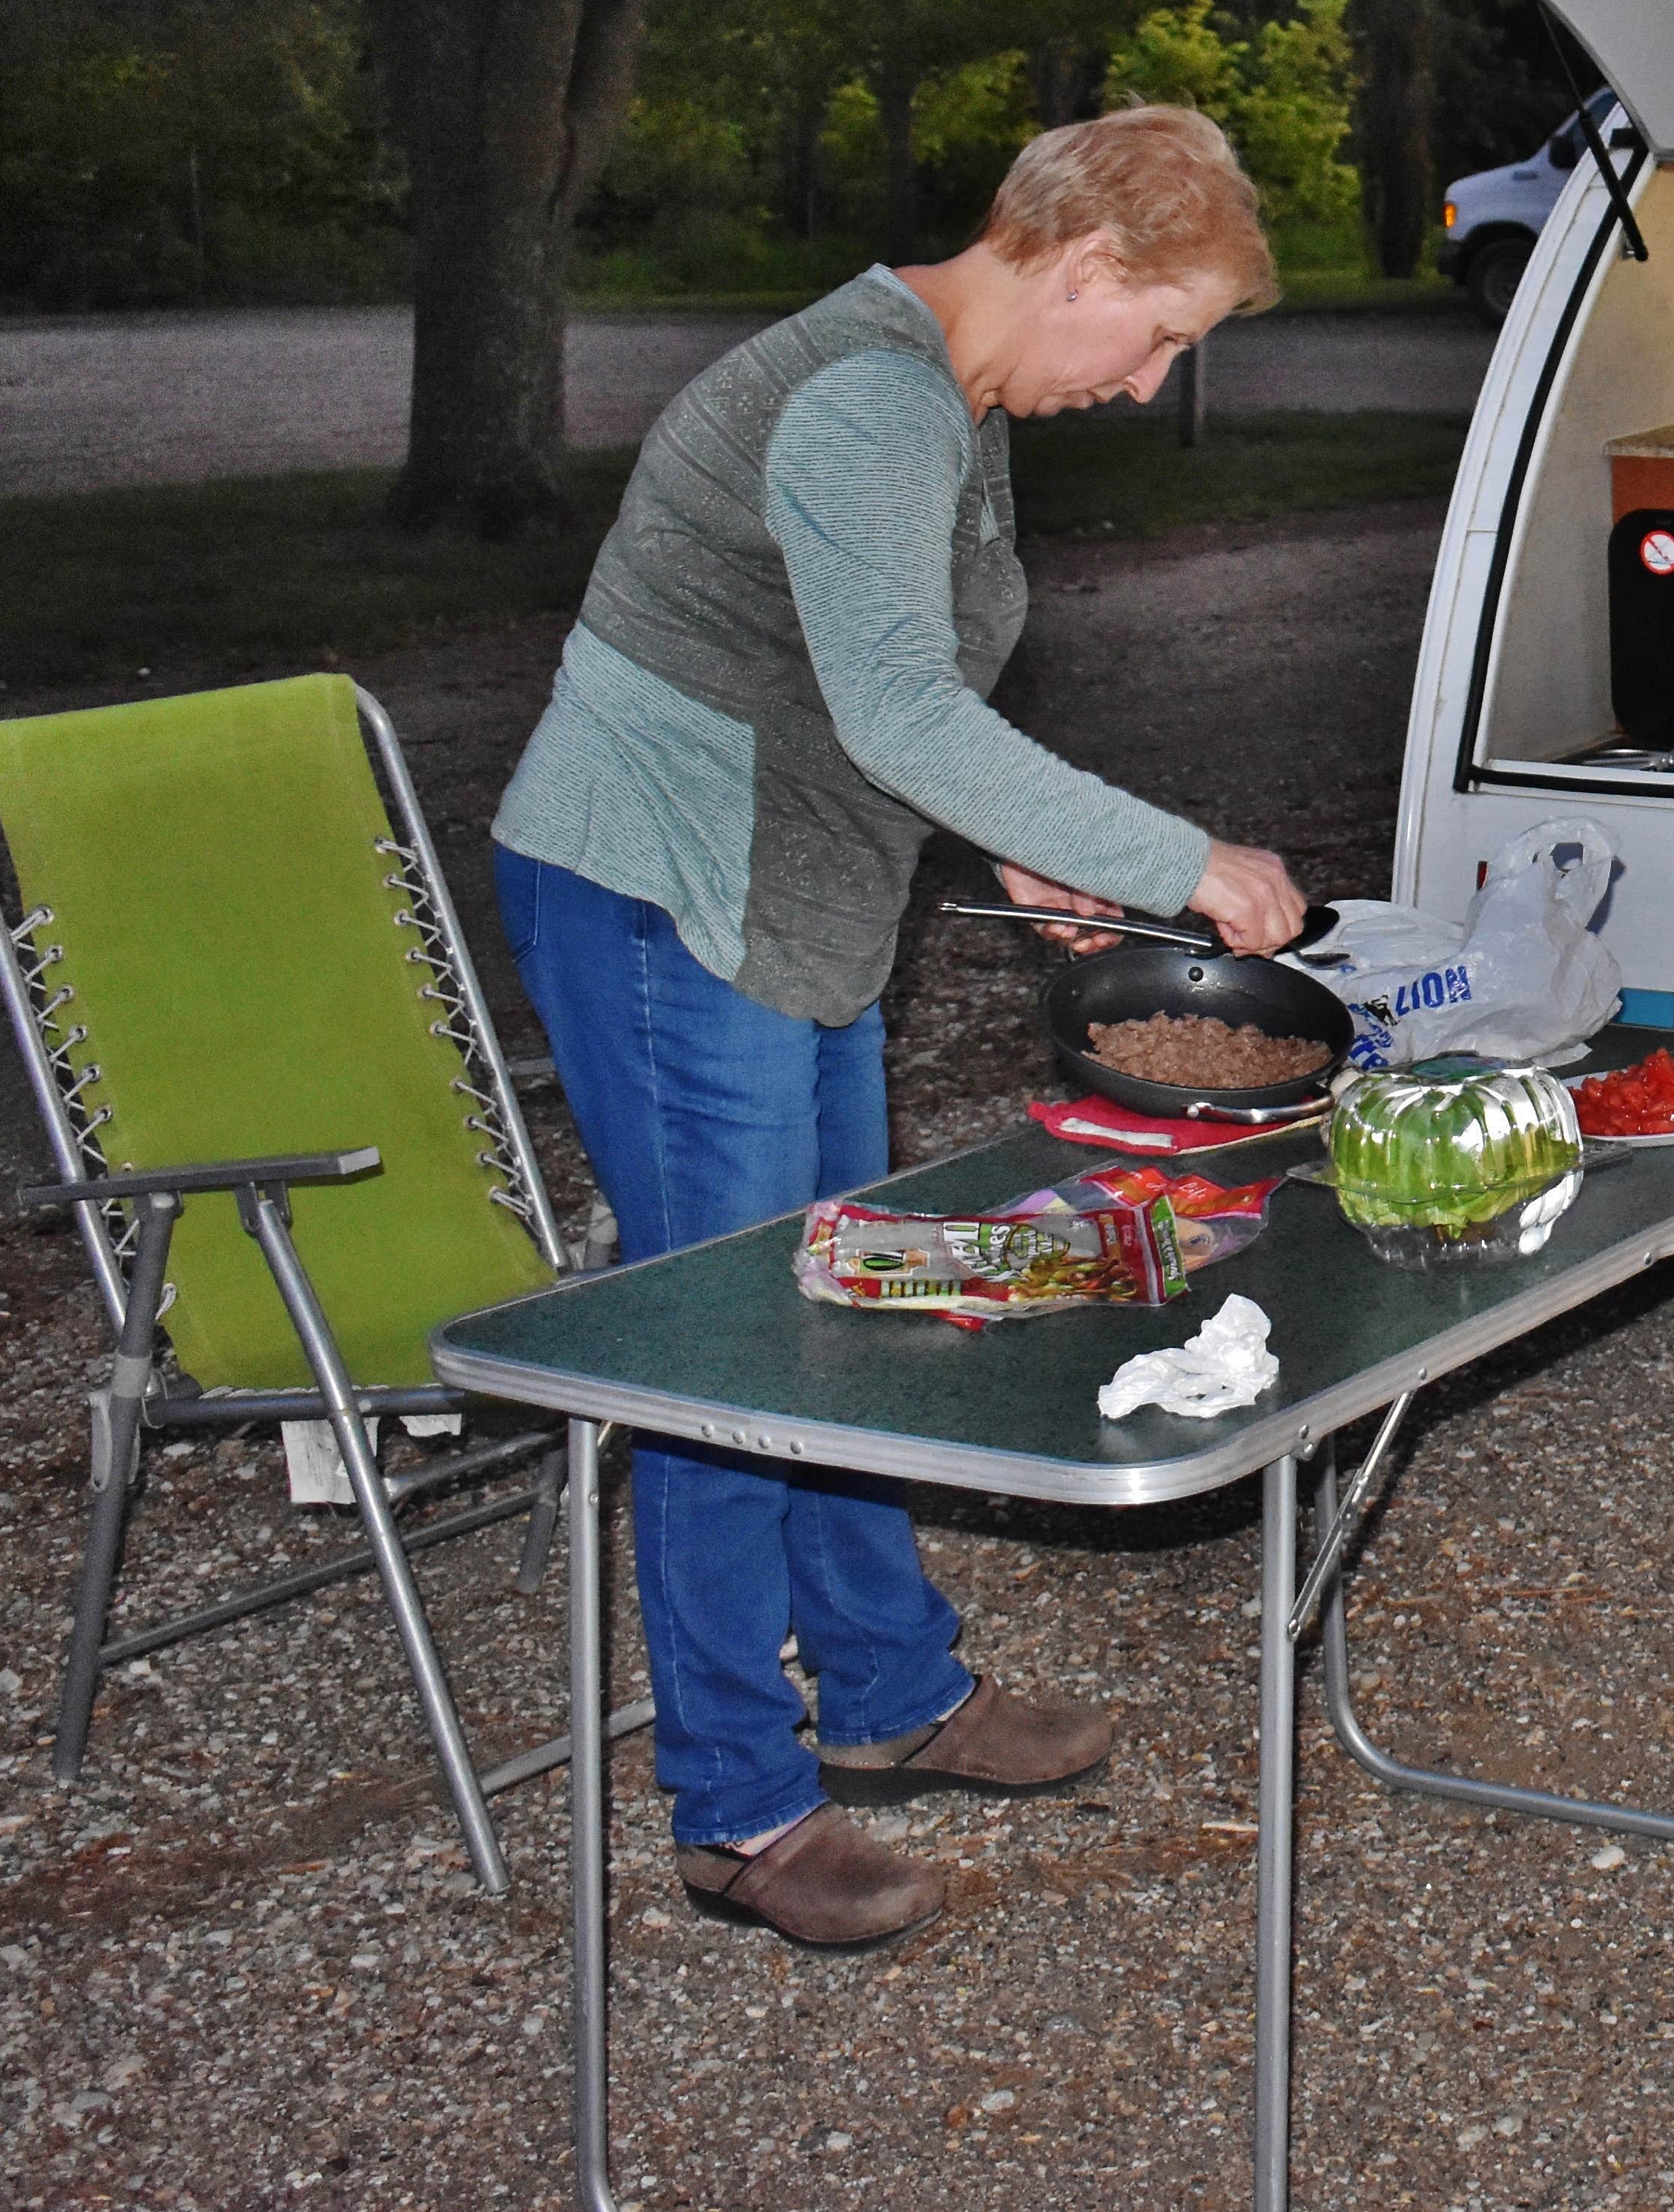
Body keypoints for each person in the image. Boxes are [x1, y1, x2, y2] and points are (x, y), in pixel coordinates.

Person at [490, 105, 1309, 1952]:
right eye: (1162, 332)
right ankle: (740, 1807)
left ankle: (883, 1686)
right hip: (668, 890)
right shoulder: (871, 400)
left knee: (842, 1295)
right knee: (720, 1344)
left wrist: (1030, 852)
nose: (1154, 377)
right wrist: (1184, 860)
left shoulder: (957, 392)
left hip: (797, 884)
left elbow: (901, 680)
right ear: (1086, 266)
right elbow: (899, 721)